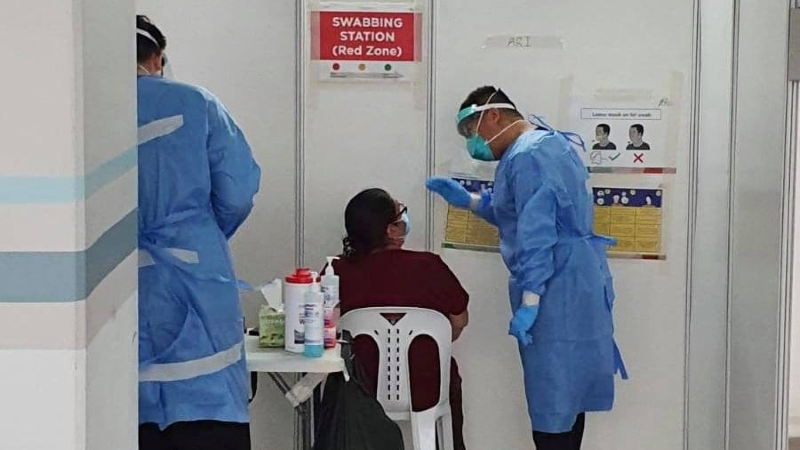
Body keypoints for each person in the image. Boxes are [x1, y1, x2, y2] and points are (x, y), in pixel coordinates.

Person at [426, 86, 626, 450]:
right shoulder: (545, 146)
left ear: (493, 116)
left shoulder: (528, 156)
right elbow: (517, 212)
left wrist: (532, 299)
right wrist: (469, 200)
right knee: (567, 397)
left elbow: (537, 233)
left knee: (552, 399)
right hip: (574, 278)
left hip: (554, 285)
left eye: (473, 133)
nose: (474, 145)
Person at [135, 16, 261, 450]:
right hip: (194, 276)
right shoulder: (196, 103)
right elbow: (238, 192)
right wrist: (195, 238)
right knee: (209, 405)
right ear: (156, 59)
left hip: (110, 282)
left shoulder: (80, 109)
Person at [332, 188, 470, 450]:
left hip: (359, 391)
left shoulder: (336, 272)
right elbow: (459, 320)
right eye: (400, 215)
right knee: (449, 377)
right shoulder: (430, 267)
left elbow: (326, 329)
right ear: (390, 230)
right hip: (428, 388)